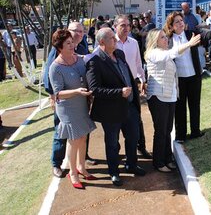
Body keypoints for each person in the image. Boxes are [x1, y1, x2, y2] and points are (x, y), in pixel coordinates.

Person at [86, 28, 146, 187]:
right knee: (112, 143)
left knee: (133, 137)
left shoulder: (119, 54)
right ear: (102, 43)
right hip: (111, 110)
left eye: (114, 37)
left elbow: (127, 76)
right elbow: (95, 90)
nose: (115, 40)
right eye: (112, 38)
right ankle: (114, 172)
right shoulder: (94, 61)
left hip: (129, 106)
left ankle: (131, 164)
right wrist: (119, 92)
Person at [164, 11, 211, 143]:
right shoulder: (168, 40)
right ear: (171, 26)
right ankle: (181, 135)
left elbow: (205, 35)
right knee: (180, 107)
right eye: (177, 21)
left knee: (194, 104)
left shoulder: (190, 34)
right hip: (179, 80)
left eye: (181, 20)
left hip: (194, 77)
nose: (181, 23)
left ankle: (195, 131)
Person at [43, 22, 96, 179]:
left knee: (83, 136)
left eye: (72, 42)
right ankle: (71, 172)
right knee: (72, 138)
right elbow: (58, 92)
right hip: (67, 107)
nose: (72, 44)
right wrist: (75, 91)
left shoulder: (79, 58)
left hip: (81, 104)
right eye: (68, 43)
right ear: (59, 47)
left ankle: (81, 167)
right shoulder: (55, 66)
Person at [145, 28, 201, 172]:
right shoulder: (154, 53)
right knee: (161, 131)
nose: (166, 39)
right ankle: (158, 162)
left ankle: (167, 159)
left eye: (165, 36)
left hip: (169, 97)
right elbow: (172, 53)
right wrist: (188, 44)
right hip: (158, 97)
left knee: (168, 130)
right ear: (155, 41)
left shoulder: (164, 53)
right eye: (162, 37)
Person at [114, 15, 152, 159]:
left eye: (128, 25)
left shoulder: (134, 42)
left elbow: (137, 63)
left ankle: (141, 146)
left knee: (136, 117)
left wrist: (143, 79)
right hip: (116, 87)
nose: (126, 28)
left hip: (133, 83)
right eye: (122, 25)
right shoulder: (110, 43)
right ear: (115, 26)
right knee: (116, 119)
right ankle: (116, 152)